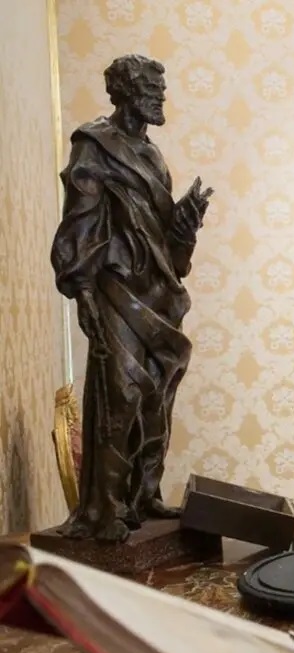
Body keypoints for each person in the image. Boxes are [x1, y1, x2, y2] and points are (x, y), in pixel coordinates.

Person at [50, 54, 213, 542]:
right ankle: (106, 507)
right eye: (151, 89)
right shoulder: (94, 144)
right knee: (121, 391)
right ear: (124, 92)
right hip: (115, 288)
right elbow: (80, 222)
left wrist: (185, 224)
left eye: (161, 90)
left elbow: (163, 242)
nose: (160, 98)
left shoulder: (154, 156)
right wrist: (82, 292)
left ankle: (143, 493)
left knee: (158, 392)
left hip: (157, 292)